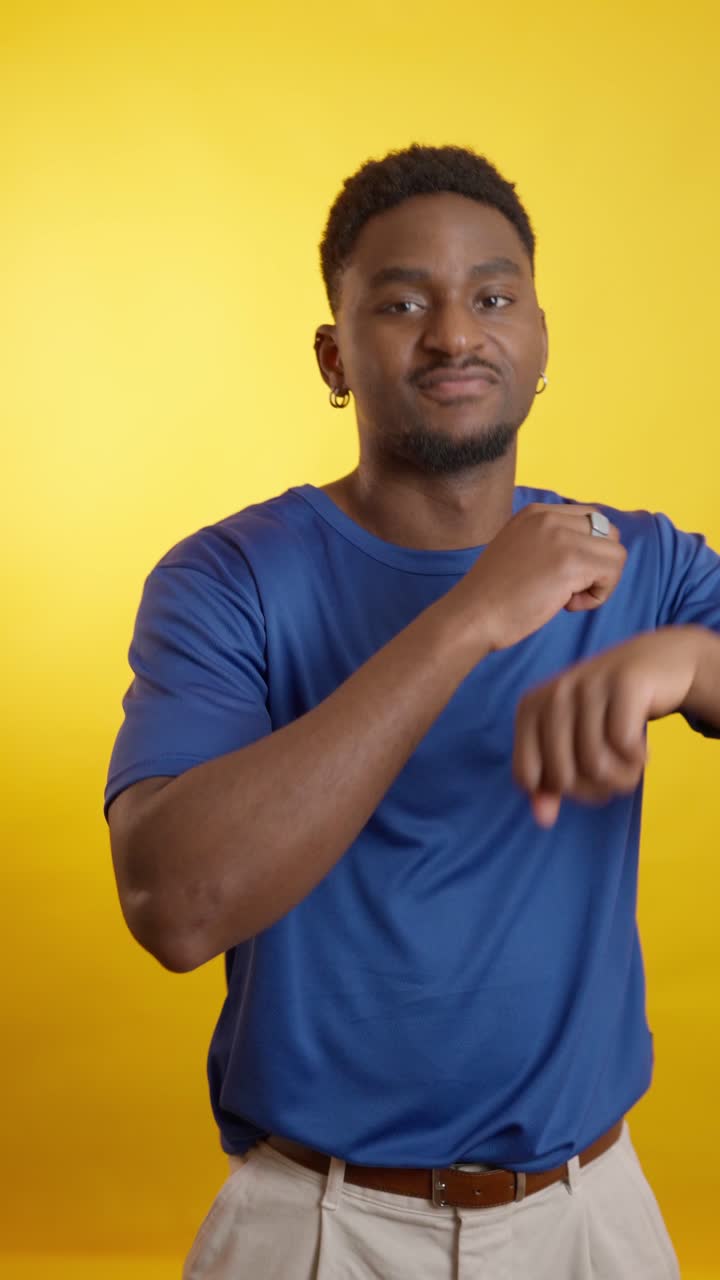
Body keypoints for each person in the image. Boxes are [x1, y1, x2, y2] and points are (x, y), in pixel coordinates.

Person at [104, 144, 720, 1279]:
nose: (453, 333)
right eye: (402, 302)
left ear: (540, 346)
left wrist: (685, 656)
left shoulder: (640, 563)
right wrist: (466, 620)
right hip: (317, 1225)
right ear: (335, 358)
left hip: (591, 1218)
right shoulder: (225, 579)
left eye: (492, 297)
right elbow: (175, 905)